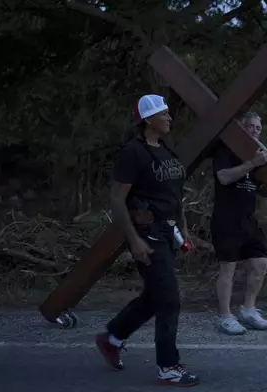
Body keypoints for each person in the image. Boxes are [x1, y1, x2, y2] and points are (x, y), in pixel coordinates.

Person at [94, 94, 199, 387]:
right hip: (147, 235)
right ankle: (167, 367)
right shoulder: (133, 153)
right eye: (163, 114)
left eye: (168, 113)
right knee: (169, 301)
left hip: (168, 232)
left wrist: (184, 227)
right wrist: (135, 241)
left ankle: (112, 338)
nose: (169, 118)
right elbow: (117, 199)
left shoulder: (166, 149)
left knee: (156, 296)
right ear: (148, 120)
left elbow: (176, 195)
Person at [211, 111, 267, 335]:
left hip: (248, 219)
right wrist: (251, 163)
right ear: (242, 128)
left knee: (261, 263)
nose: (255, 131)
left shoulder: (260, 157)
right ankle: (224, 317)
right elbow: (224, 177)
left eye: (258, 128)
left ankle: (248, 310)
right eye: (250, 127)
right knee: (228, 268)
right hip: (226, 218)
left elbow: (265, 187)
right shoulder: (226, 151)